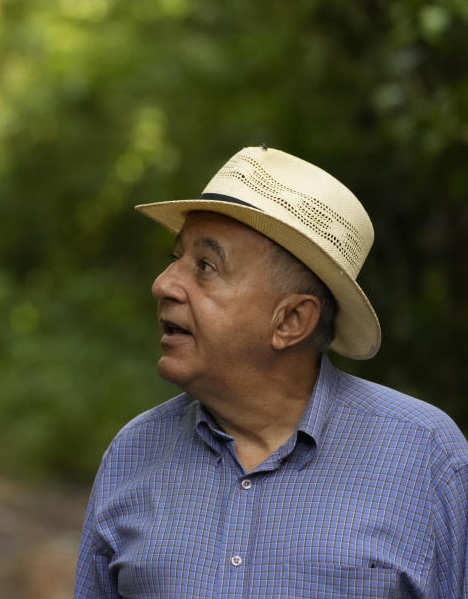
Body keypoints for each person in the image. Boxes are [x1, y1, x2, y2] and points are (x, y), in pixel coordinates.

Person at [74, 146, 468, 598]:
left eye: (205, 266)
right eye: (176, 257)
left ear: (291, 321)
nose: (163, 284)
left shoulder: (426, 459)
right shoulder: (133, 453)